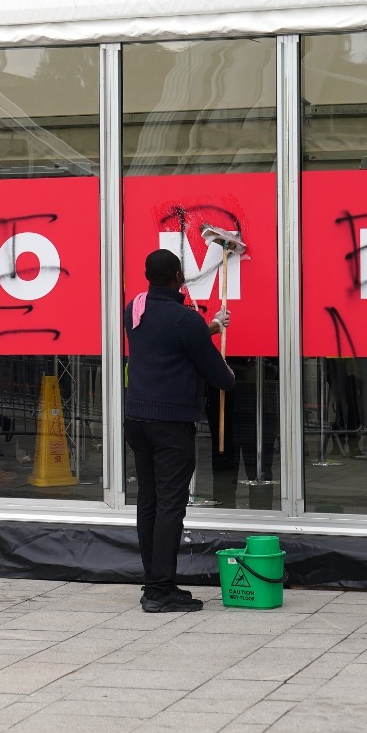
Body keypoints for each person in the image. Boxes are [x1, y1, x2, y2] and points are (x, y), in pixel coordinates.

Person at [124, 248, 234, 613]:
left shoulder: (135, 310)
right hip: (171, 425)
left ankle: (152, 582)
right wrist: (227, 371)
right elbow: (218, 376)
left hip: (137, 421)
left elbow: (167, 340)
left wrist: (213, 326)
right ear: (177, 277)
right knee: (171, 505)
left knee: (150, 502)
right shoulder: (184, 319)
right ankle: (160, 591)